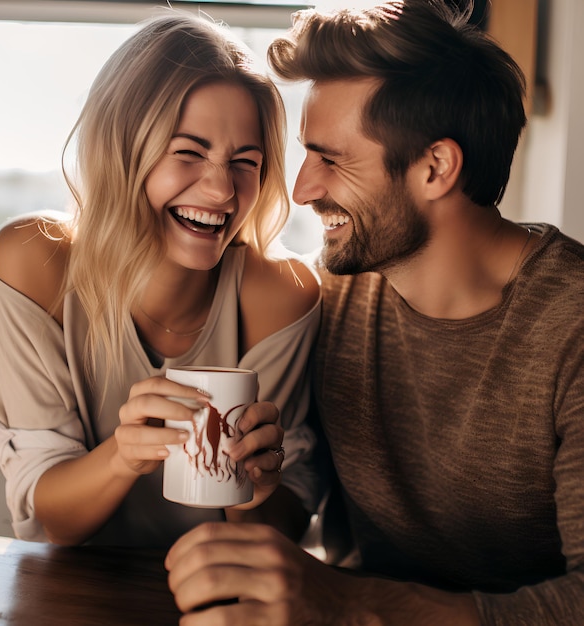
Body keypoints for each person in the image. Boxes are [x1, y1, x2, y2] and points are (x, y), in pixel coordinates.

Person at [164, 1, 584, 624]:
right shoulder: (328, 296)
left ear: (435, 167)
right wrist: (259, 485)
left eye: (331, 160)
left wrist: (348, 603)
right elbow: (294, 505)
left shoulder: (571, 327)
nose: (302, 188)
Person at [0, 11, 321, 548]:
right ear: (121, 149)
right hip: (75, 594)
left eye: (246, 162)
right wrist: (123, 454)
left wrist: (257, 487)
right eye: (188, 153)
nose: (221, 191)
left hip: (218, 589)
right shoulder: (34, 264)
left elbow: (279, 530)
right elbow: (48, 516)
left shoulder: (281, 293)